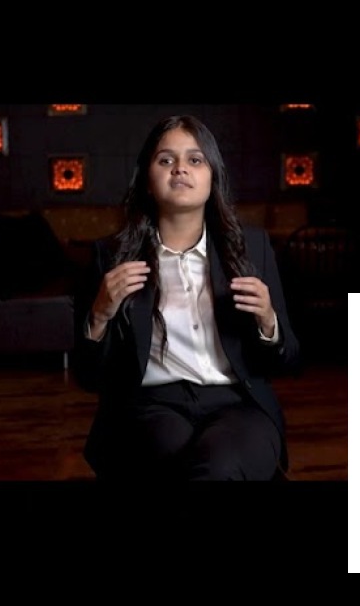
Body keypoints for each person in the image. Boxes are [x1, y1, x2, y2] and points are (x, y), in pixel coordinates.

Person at [73, 115, 300, 481]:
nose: (180, 168)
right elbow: (87, 377)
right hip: (150, 405)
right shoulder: (111, 256)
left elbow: (288, 360)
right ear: (147, 181)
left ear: (213, 178)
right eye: (166, 160)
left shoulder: (252, 248)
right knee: (178, 458)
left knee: (219, 464)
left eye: (195, 159)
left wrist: (267, 321)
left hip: (239, 404)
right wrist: (99, 315)